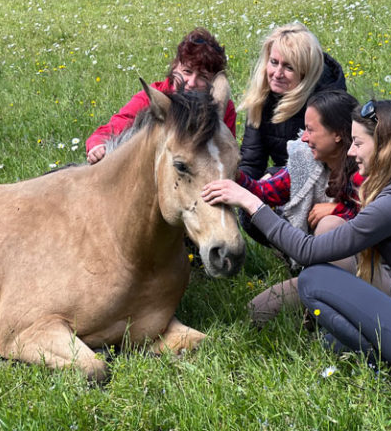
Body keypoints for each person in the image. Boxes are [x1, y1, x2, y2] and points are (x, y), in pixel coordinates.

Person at [202, 99, 391, 378]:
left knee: (313, 280)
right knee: (333, 339)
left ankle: (390, 365)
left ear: (385, 146)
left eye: (359, 143)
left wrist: (250, 203)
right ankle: (382, 350)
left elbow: (306, 250)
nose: (352, 152)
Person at [235, 90, 364, 326]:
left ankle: (334, 316)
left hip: (366, 274)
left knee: (329, 225)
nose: (304, 138)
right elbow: (266, 191)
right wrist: (234, 177)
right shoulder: (306, 161)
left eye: (311, 130)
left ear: (337, 135)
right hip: (318, 267)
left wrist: (339, 211)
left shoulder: (364, 168)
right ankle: (317, 304)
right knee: (256, 312)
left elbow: (375, 220)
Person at [86, 27, 237, 163]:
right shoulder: (155, 96)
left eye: (203, 77)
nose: (191, 83)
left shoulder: (222, 107)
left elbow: (224, 151)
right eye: (187, 72)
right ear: (174, 67)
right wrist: (98, 145)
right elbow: (115, 125)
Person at [237, 22, 346, 180]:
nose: (277, 73)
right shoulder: (262, 98)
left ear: (305, 72)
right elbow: (251, 162)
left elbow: (317, 167)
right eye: (274, 62)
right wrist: (240, 189)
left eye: (289, 67)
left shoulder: (328, 106)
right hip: (282, 182)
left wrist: (272, 176)